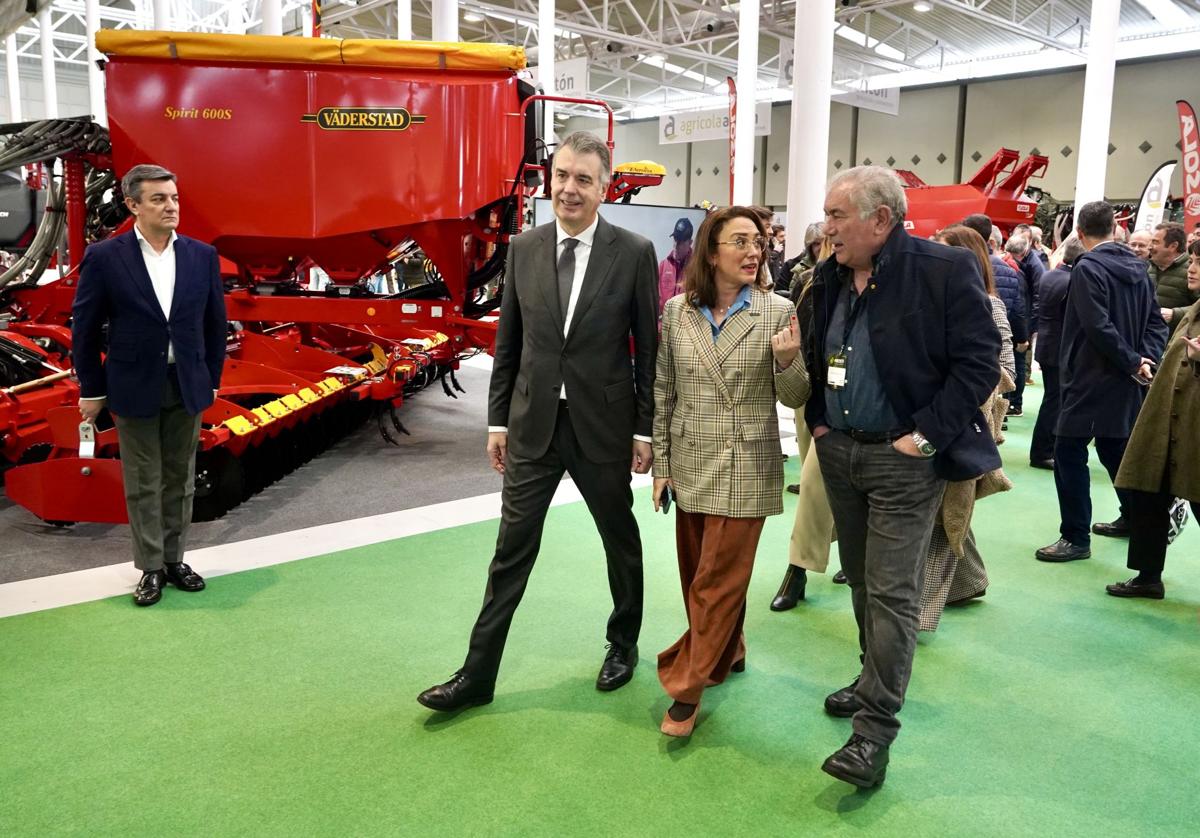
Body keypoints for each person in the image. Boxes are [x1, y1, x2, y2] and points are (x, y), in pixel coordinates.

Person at [418, 132, 658, 712]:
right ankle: (477, 675)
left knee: (619, 542)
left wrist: (645, 430)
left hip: (603, 425)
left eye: (583, 179)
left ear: (604, 190)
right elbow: (509, 344)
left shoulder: (632, 252)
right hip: (533, 425)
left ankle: (622, 644)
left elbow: (647, 349)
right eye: (562, 176)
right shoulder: (525, 248)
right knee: (510, 551)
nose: (569, 189)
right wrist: (497, 420)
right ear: (548, 182)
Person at [806, 166, 1000, 788]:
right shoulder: (829, 276)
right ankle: (872, 678)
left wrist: (924, 435)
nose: (827, 227)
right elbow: (818, 354)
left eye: (838, 215)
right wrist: (818, 422)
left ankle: (873, 735)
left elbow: (979, 364)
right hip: (841, 453)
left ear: (880, 220)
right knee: (862, 580)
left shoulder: (941, 271)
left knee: (891, 591)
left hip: (903, 463)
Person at [652, 206, 810, 736]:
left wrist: (789, 362)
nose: (753, 251)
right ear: (711, 251)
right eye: (739, 241)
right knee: (697, 573)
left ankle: (688, 687)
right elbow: (664, 391)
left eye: (758, 242)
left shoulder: (778, 310)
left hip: (747, 461)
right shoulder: (677, 312)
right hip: (691, 459)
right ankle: (730, 646)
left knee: (715, 582)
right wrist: (662, 466)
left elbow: (796, 397)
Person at [71, 163, 227, 607]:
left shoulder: (201, 255)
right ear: (133, 205)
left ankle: (176, 560)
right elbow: (84, 328)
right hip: (131, 384)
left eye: (174, 197)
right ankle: (151, 568)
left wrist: (211, 379)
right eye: (158, 199)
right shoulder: (106, 257)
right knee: (143, 479)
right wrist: (91, 389)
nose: (170, 206)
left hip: (188, 383)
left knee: (180, 478)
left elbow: (215, 325)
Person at [1035, 202, 1168, 562]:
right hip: (1125, 379)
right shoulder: (1140, 269)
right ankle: (1135, 517)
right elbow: (1157, 322)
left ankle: (1075, 537)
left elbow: (1096, 325)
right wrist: (1143, 359)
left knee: (1068, 452)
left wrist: (1132, 360)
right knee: (1115, 451)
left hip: (1089, 378)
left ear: (1079, 232)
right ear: (1115, 229)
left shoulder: (1087, 268)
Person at [916, 225, 1014, 631]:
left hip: (962, 422)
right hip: (937, 418)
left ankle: (918, 615)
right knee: (953, 507)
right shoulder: (932, 300)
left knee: (946, 514)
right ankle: (970, 581)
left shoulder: (988, 304)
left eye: (943, 252)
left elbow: (1003, 366)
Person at [1109, 238, 1200, 598]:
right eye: (1192, 260)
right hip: (1166, 418)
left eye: (1198, 262)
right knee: (1147, 490)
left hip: (1193, 423)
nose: (1191, 268)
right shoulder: (1193, 308)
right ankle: (1148, 576)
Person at [772, 232, 841, 611]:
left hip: (849, 405)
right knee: (819, 483)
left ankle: (796, 570)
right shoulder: (809, 281)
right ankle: (840, 552)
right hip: (810, 395)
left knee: (815, 485)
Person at [1029, 238, 1086, 469]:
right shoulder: (1072, 281)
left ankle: (1043, 450)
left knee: (1053, 400)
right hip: (1059, 348)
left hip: (1047, 344)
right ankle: (1043, 452)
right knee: (1055, 402)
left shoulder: (1051, 275)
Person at [1148, 222, 1198, 336]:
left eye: (1155, 242)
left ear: (1173, 246)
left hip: (1178, 342)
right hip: (1150, 342)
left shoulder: (1192, 272)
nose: (1149, 246)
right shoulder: (1149, 267)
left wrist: (1175, 314)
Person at [659, 217, 693, 318]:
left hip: (686, 329)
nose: (676, 245)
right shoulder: (662, 266)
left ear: (690, 243)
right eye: (675, 239)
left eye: (681, 241)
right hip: (663, 329)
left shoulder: (697, 268)